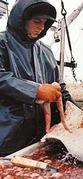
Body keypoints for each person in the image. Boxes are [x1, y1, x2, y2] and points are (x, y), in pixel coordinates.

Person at [0, 0, 72, 156]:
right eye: (36, 21)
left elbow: (59, 86)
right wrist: (35, 91)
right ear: (21, 20)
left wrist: (74, 108)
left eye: (45, 23)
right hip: (6, 136)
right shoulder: (2, 43)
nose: (41, 27)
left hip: (39, 136)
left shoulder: (46, 51)